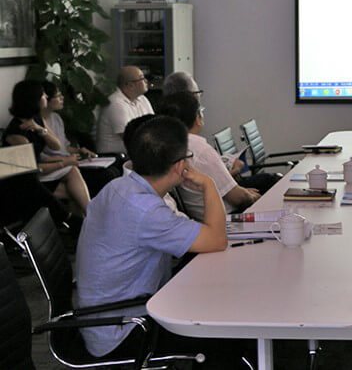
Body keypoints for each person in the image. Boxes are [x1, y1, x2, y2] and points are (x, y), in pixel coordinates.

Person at [75, 116, 250, 367]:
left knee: (216, 302)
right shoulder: (145, 210)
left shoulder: (118, 187)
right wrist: (209, 185)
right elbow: (216, 240)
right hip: (124, 329)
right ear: (180, 165)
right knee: (224, 332)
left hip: (108, 315)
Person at [157, 92, 259, 220]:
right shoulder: (201, 150)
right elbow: (238, 198)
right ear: (197, 118)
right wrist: (256, 197)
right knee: (269, 184)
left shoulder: (168, 144)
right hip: (229, 218)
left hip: (202, 216)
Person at [3, 80, 91, 214]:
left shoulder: (36, 119)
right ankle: (89, 216)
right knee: (74, 188)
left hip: (38, 174)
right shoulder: (17, 134)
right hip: (24, 183)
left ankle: (87, 218)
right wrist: (64, 162)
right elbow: (34, 169)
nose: (46, 97)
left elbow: (56, 145)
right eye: (43, 95)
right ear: (34, 99)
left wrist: (40, 129)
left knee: (73, 179)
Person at [40, 81, 119, 196]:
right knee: (107, 175)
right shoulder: (37, 125)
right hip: (59, 167)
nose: (62, 98)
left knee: (115, 168)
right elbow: (42, 158)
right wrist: (67, 160)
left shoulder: (56, 118)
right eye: (58, 96)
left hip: (70, 161)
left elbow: (65, 147)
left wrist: (79, 151)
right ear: (46, 99)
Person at [96, 66, 154, 153]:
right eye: (142, 78)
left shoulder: (142, 99)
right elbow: (130, 137)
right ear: (130, 85)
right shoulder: (115, 103)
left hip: (135, 153)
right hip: (114, 157)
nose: (146, 80)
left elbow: (155, 125)